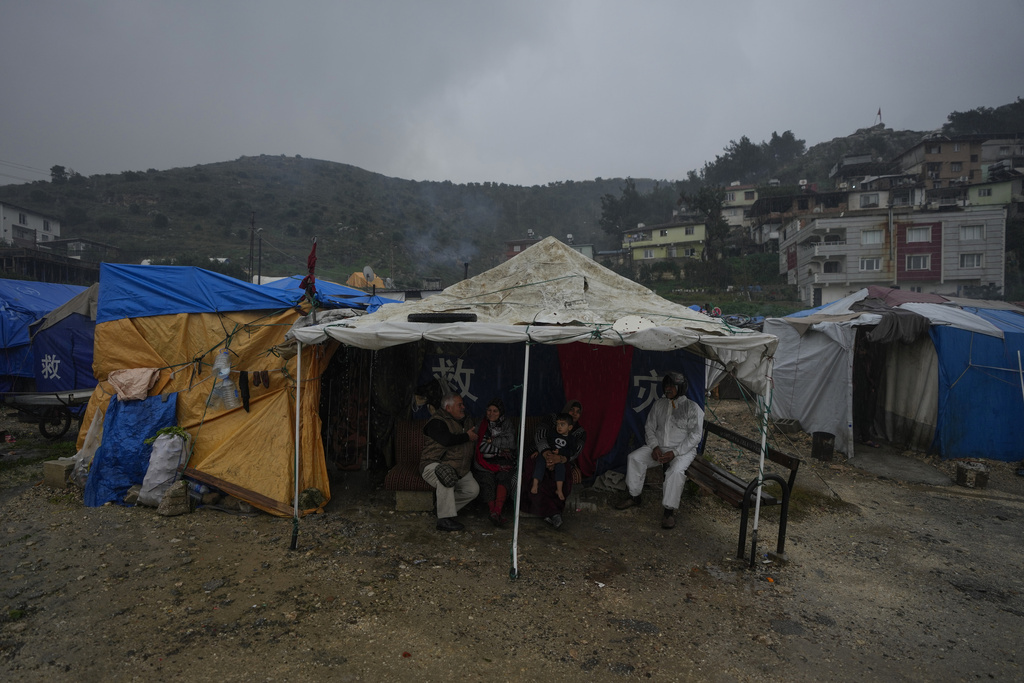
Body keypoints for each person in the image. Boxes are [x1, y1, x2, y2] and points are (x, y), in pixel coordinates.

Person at [615, 372, 703, 529]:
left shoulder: (691, 407)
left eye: (672, 386)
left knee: (675, 471)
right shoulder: (659, 404)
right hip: (659, 447)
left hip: (682, 451)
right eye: (666, 386)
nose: (668, 389)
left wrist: (674, 453)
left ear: (681, 388)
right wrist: (655, 446)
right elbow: (649, 427)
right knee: (634, 458)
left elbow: (695, 436)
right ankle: (634, 496)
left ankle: (669, 511)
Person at [419, 394, 480, 532]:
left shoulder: (466, 420)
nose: (463, 407)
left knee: (472, 490)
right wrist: (467, 436)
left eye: (462, 404)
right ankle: (444, 520)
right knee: (446, 475)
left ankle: (440, 508)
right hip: (433, 464)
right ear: (448, 408)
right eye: (459, 405)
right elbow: (446, 440)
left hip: (459, 468)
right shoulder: (437, 421)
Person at [524, 400, 586, 529]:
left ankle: (553, 512)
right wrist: (548, 455)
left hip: (562, 459)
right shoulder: (553, 419)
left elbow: (576, 450)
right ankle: (549, 512)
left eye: (578, 412)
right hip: (540, 452)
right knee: (533, 472)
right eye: (571, 410)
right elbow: (541, 434)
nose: (574, 413)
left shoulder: (579, 431)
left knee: (562, 477)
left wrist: (560, 458)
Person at [472, 398, 519, 527]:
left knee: (503, 477)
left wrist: (492, 441)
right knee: (487, 479)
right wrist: (500, 447)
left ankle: (497, 510)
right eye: (489, 410)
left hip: (504, 461)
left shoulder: (507, 424)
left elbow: (511, 443)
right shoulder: (481, 424)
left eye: (495, 411)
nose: (491, 413)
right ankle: (493, 512)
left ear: (501, 412)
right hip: (484, 461)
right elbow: (481, 446)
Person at [530, 413, 574, 502]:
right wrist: (542, 452)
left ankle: (559, 490)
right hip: (548, 454)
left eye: (562, 424)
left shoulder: (571, 439)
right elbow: (546, 444)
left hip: (559, 458)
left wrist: (560, 453)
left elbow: (571, 451)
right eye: (557, 424)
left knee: (561, 468)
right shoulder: (552, 433)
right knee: (539, 462)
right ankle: (535, 484)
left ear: (569, 427)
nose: (559, 427)